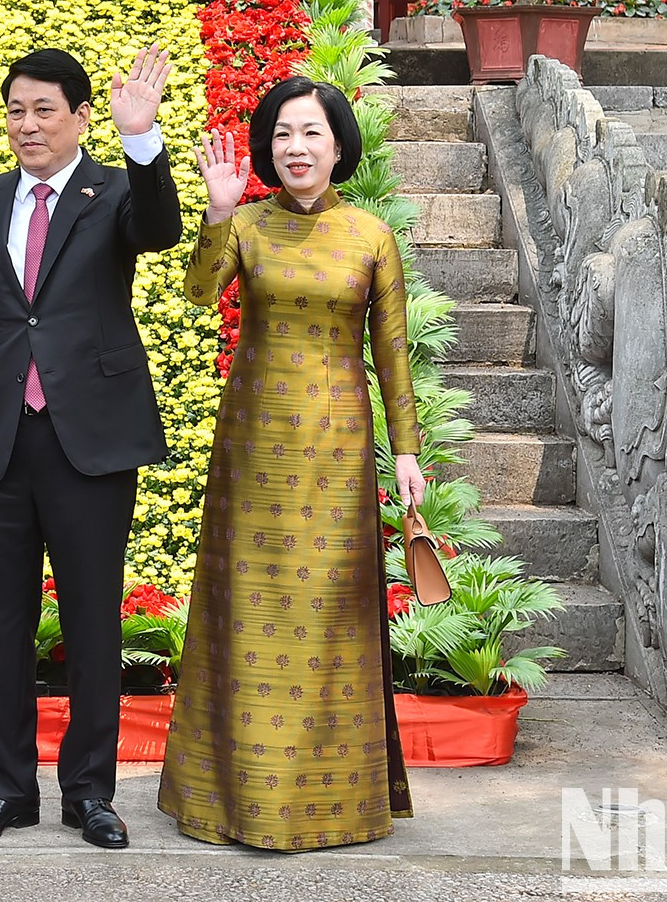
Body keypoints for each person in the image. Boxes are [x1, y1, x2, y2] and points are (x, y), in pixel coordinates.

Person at [156, 75, 429, 852]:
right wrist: (214, 213)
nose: (295, 148)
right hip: (252, 451)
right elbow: (198, 296)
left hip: (340, 451)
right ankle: (230, 799)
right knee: (247, 609)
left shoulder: (371, 236)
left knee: (332, 615)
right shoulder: (245, 223)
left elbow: (393, 353)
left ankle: (334, 803)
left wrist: (405, 452)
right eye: (281, 134)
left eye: (310, 133)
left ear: (339, 144)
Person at [0, 46, 183, 850]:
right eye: (16, 109)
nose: (27, 124)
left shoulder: (112, 190)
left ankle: (89, 792)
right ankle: (5, 790)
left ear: (81, 117)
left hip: (91, 439)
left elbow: (158, 230)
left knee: (90, 621)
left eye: (45, 109)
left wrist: (140, 141)